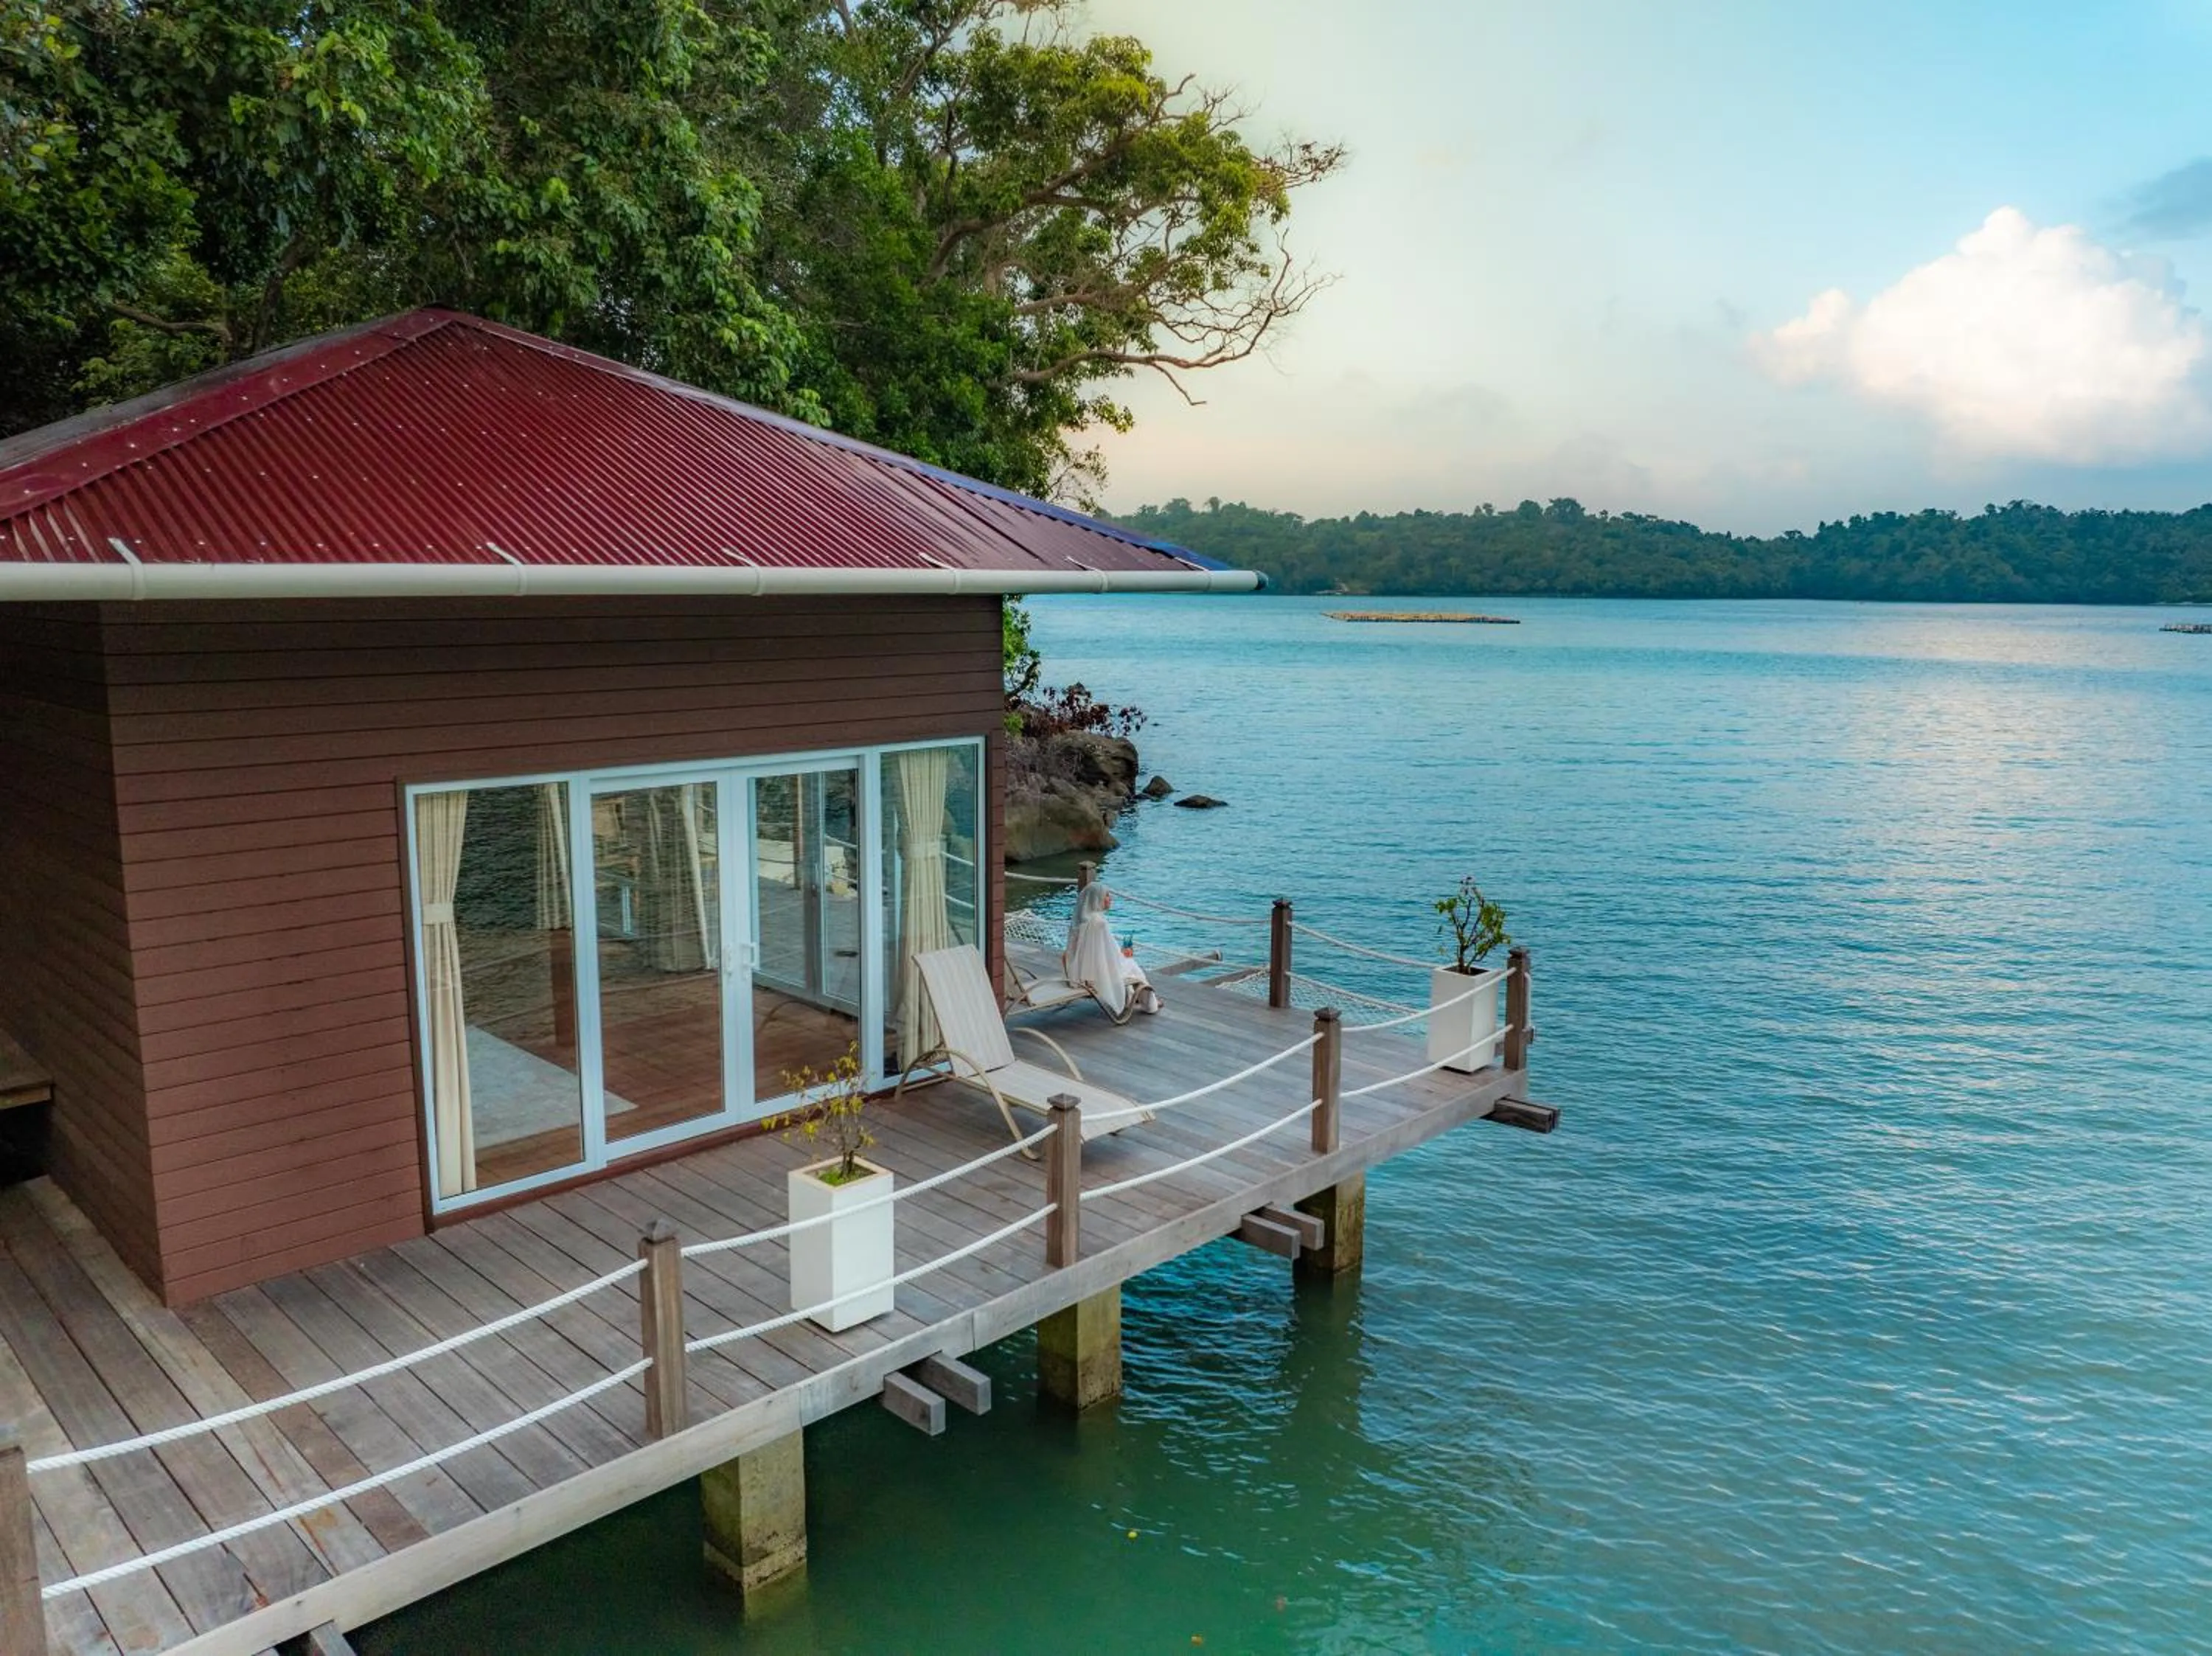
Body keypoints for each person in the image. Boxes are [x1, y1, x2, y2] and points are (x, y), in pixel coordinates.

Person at [1062, 884, 1161, 1017]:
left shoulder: (1081, 920)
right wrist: (1125, 957)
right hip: (1096, 973)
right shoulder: (1099, 923)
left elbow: (1077, 952)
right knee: (1133, 966)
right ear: (1097, 899)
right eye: (1107, 896)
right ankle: (1150, 1004)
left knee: (1129, 964)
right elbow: (1109, 955)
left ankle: (1135, 996)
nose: (1110, 898)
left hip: (1078, 973)